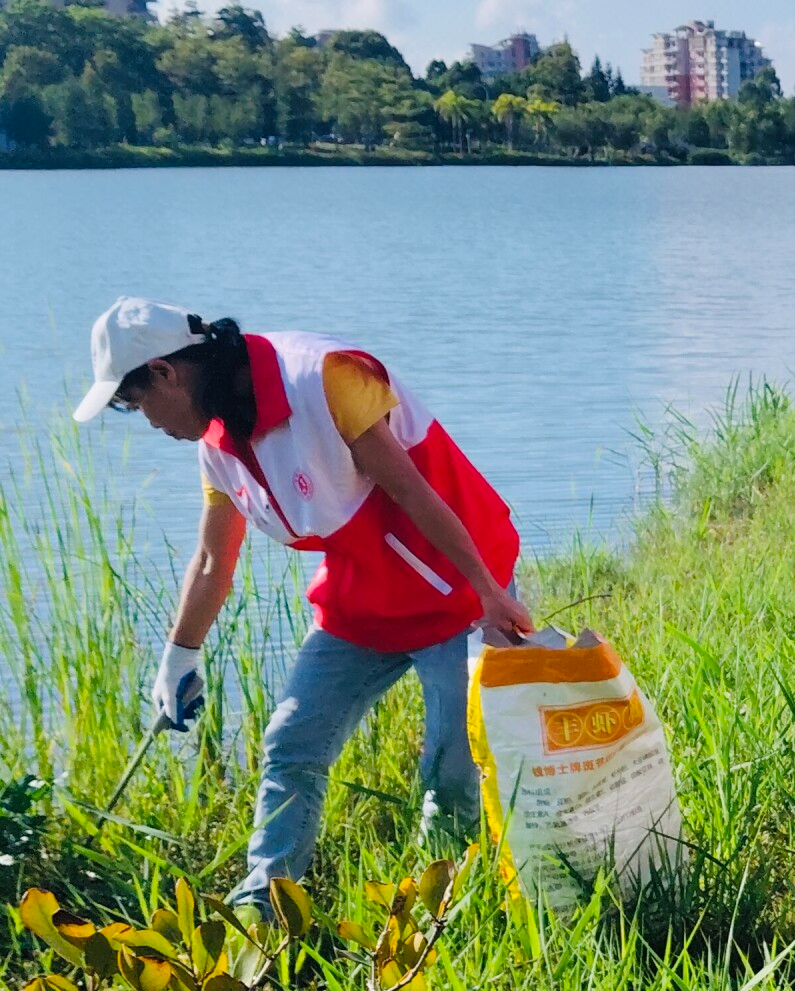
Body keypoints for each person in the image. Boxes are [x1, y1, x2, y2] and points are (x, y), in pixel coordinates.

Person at [73, 298, 530, 915]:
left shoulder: (322, 378)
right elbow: (213, 560)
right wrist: (178, 658)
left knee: (450, 768)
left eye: (133, 403)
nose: (143, 420)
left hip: (458, 589)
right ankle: (262, 913)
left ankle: (441, 918)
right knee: (292, 744)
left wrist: (491, 593)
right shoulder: (219, 443)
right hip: (363, 601)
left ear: (164, 372)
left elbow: (410, 490)